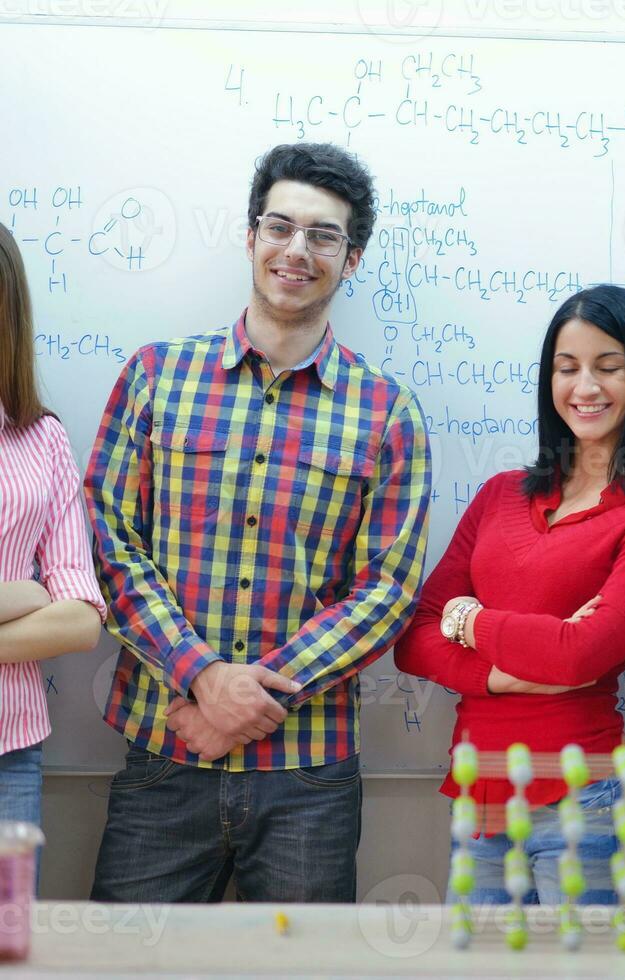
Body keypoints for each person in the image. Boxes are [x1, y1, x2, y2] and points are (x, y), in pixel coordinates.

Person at [85, 143, 432, 902]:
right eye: (280, 227)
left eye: (323, 235)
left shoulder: (387, 413)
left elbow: (387, 590)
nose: (296, 250)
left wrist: (249, 706)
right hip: (164, 751)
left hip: (309, 777)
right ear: (250, 238)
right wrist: (203, 678)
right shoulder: (155, 376)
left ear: (352, 258)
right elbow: (110, 543)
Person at [395, 284, 625, 905]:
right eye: (567, 368)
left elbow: (580, 656)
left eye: (608, 367)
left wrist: (470, 622)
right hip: (480, 803)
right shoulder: (501, 494)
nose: (585, 387)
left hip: (588, 802)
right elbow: (413, 639)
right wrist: (506, 675)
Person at [0, 222, 106, 851]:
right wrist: (25, 593)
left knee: (10, 949)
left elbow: (79, 622)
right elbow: (49, 600)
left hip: (10, 753)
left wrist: (48, 597)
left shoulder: (41, 439)